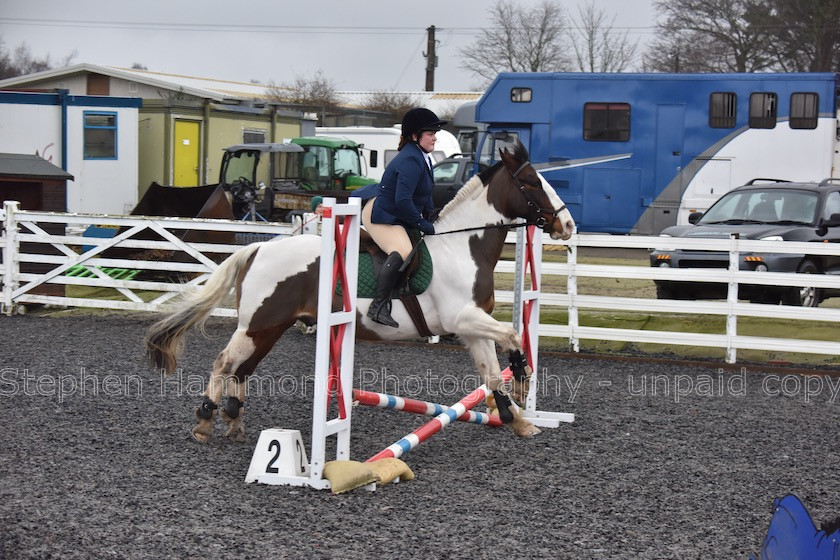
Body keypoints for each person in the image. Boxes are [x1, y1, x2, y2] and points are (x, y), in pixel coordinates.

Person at [351, 107, 445, 327]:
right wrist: (421, 223)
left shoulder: (422, 157)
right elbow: (403, 201)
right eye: (430, 133)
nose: (435, 137)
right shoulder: (410, 161)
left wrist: (431, 214)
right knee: (402, 251)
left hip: (398, 213)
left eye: (434, 133)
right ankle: (378, 306)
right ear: (415, 136)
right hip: (382, 215)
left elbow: (423, 194)